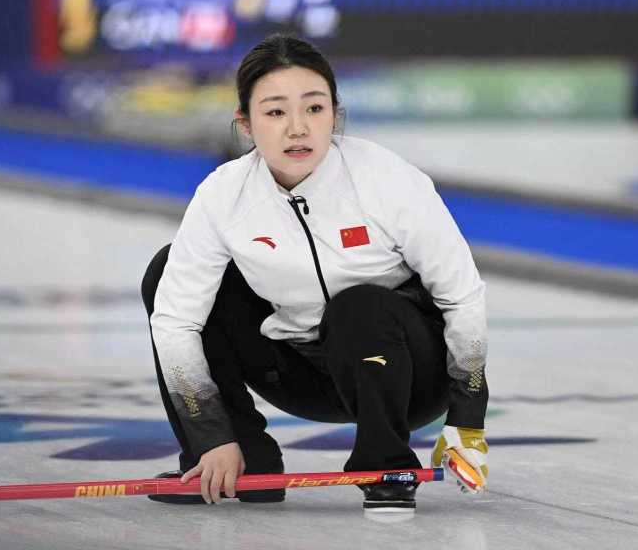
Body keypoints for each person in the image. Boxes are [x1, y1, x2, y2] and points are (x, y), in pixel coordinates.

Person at [141, 33, 489, 516]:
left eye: (314, 108)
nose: (298, 128)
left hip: (408, 375)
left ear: (335, 115)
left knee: (359, 305)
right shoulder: (223, 195)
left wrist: (467, 418)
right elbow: (176, 322)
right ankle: (242, 464)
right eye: (275, 112)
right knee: (166, 272)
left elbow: (461, 295)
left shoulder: (387, 178)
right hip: (301, 373)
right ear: (246, 124)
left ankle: (386, 468)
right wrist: (211, 434)